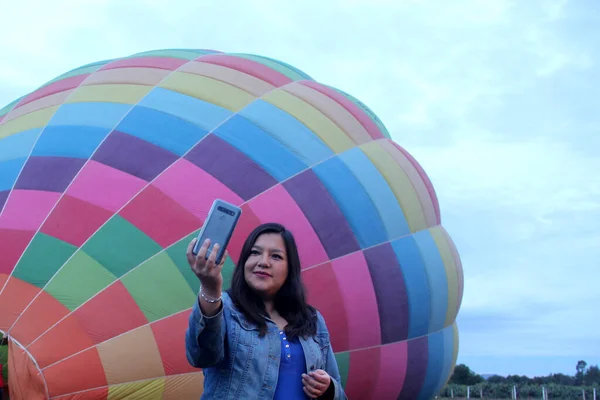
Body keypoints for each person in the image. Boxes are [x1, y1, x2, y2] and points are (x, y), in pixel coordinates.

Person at [185, 222, 347, 399]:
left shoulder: (312, 319)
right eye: (254, 253)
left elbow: (338, 390)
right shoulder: (223, 307)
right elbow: (201, 356)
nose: (263, 262)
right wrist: (209, 289)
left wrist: (329, 388)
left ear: (290, 268)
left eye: (276, 256)